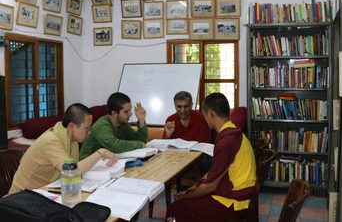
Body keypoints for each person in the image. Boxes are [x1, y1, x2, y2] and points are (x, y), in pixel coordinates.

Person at [166, 93, 256, 222]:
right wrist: (190, 190)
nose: (204, 118)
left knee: (176, 209)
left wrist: (186, 196)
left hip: (233, 202)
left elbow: (210, 186)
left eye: (204, 114)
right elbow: (213, 173)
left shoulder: (227, 140)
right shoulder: (232, 131)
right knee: (190, 198)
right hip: (235, 192)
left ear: (211, 114)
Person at [9, 103, 117, 195]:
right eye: (86, 128)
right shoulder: (51, 140)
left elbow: (74, 170)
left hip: (46, 192)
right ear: (71, 126)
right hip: (23, 197)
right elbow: (71, 171)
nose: (89, 133)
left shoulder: (72, 139)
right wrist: (100, 153)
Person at [79, 92, 148, 159]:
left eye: (130, 110)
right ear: (114, 113)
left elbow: (141, 140)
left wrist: (141, 120)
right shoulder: (102, 126)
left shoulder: (123, 123)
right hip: (89, 166)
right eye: (126, 111)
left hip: (108, 162)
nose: (131, 114)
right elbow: (114, 146)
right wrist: (139, 144)